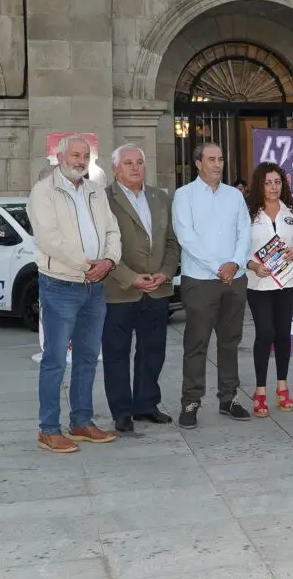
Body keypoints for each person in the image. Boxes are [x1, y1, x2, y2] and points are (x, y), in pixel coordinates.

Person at [28, 135, 120, 451]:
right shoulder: (44, 192)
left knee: (87, 358)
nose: (80, 161)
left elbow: (112, 230)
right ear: (60, 156)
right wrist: (87, 264)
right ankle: (48, 428)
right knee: (54, 359)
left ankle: (81, 422)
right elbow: (50, 239)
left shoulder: (95, 191)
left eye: (85, 156)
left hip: (94, 287)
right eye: (75, 155)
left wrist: (108, 261)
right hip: (59, 285)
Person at [172, 141, 252, 428]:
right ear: (198, 163)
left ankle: (228, 398)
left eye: (220, 159)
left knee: (230, 342)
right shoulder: (184, 196)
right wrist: (218, 267)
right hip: (201, 280)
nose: (218, 164)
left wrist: (234, 264)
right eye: (211, 159)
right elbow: (186, 237)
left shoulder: (234, 196)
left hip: (235, 278)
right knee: (197, 343)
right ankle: (190, 402)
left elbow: (245, 232)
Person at [102, 144, 179, 433]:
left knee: (152, 350)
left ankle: (146, 405)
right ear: (115, 168)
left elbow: (173, 241)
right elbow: (100, 245)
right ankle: (122, 412)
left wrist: (165, 272)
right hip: (120, 289)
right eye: (128, 163)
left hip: (157, 288)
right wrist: (129, 277)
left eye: (139, 162)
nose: (135, 167)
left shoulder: (160, 198)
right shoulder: (103, 200)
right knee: (117, 353)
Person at [244, 161, 293, 418]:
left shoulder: (291, 212)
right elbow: (238, 250)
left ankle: (282, 387)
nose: (273, 187)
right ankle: (260, 391)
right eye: (268, 182)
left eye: (277, 182)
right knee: (265, 332)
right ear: (260, 184)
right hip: (258, 283)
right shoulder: (248, 214)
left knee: (283, 333)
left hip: (286, 283)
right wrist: (252, 266)